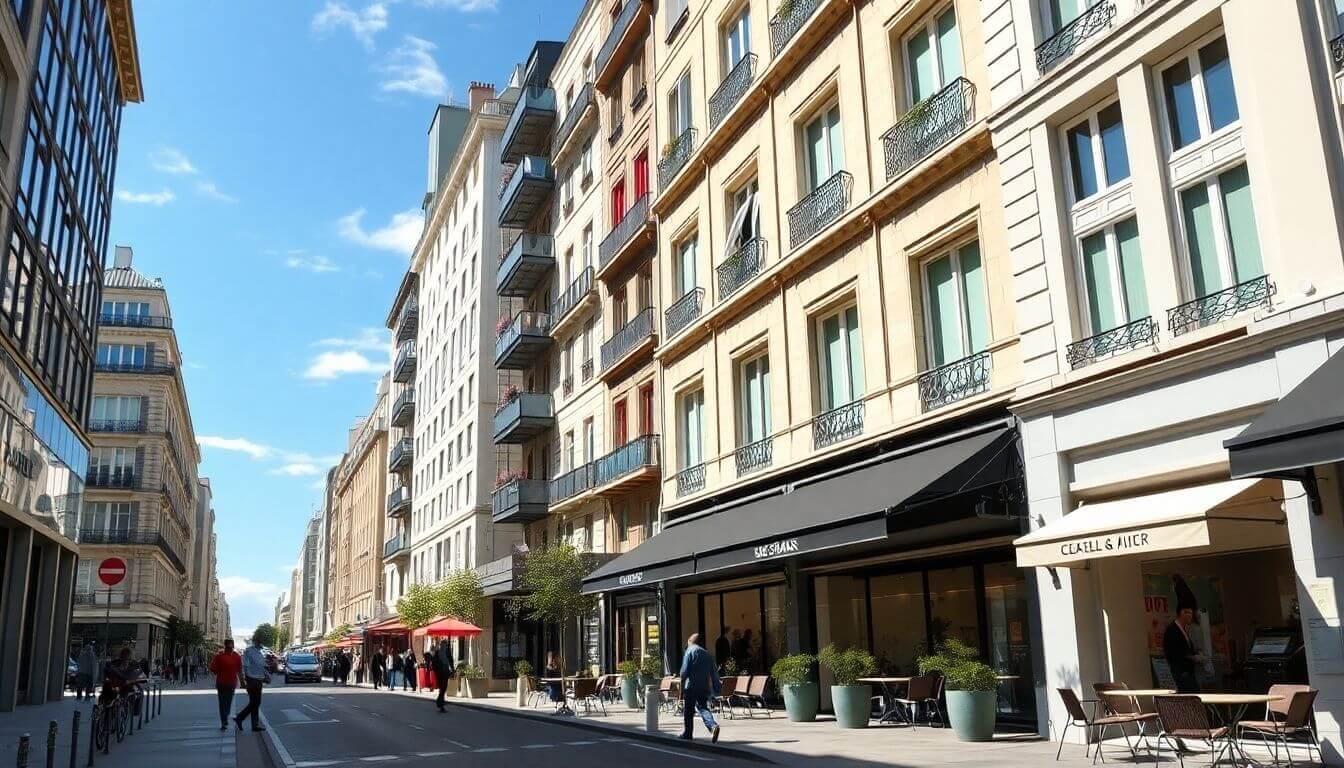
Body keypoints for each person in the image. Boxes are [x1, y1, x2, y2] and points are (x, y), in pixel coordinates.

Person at [678, 634, 720, 743]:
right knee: (703, 707)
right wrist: (715, 690)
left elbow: (684, 672)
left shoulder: (690, 651)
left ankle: (688, 733)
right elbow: (714, 674)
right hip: (703, 686)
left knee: (688, 711)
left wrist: (681, 687)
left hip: (691, 685)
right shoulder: (707, 654)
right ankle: (712, 726)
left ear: (690, 641)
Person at [233, 634, 271, 732]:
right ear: (256, 642)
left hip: (259, 680)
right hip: (252, 680)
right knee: (255, 703)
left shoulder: (259, 652)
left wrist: (266, 675)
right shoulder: (248, 651)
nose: (261, 644)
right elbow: (245, 666)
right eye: (260, 642)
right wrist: (245, 679)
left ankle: (254, 725)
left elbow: (261, 667)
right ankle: (240, 718)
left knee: (255, 703)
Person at [1164, 603, 1203, 693]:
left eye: (1191, 613)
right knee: (1191, 697)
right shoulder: (1172, 630)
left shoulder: (1183, 629)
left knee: (1195, 696)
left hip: (1189, 672)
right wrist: (1193, 657)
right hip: (1181, 672)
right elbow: (1174, 653)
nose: (1191, 616)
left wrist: (1196, 655)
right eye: (1188, 613)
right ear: (1182, 613)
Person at [209, 639, 243, 731]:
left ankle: (225, 716)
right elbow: (212, 668)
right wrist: (218, 672)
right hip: (221, 683)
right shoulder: (219, 656)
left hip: (231, 684)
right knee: (222, 703)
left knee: (228, 702)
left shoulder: (237, 656)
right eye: (228, 647)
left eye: (231, 647)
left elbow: (240, 670)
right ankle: (224, 721)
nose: (230, 648)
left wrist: (243, 682)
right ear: (225, 647)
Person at [432, 640, 456, 712]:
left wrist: (452, 669)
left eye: (445, 644)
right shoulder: (439, 652)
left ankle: (440, 702)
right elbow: (434, 663)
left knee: (443, 688)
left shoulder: (443, 652)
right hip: (442, 672)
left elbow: (450, 661)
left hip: (443, 672)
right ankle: (440, 703)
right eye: (444, 644)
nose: (444, 646)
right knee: (443, 687)